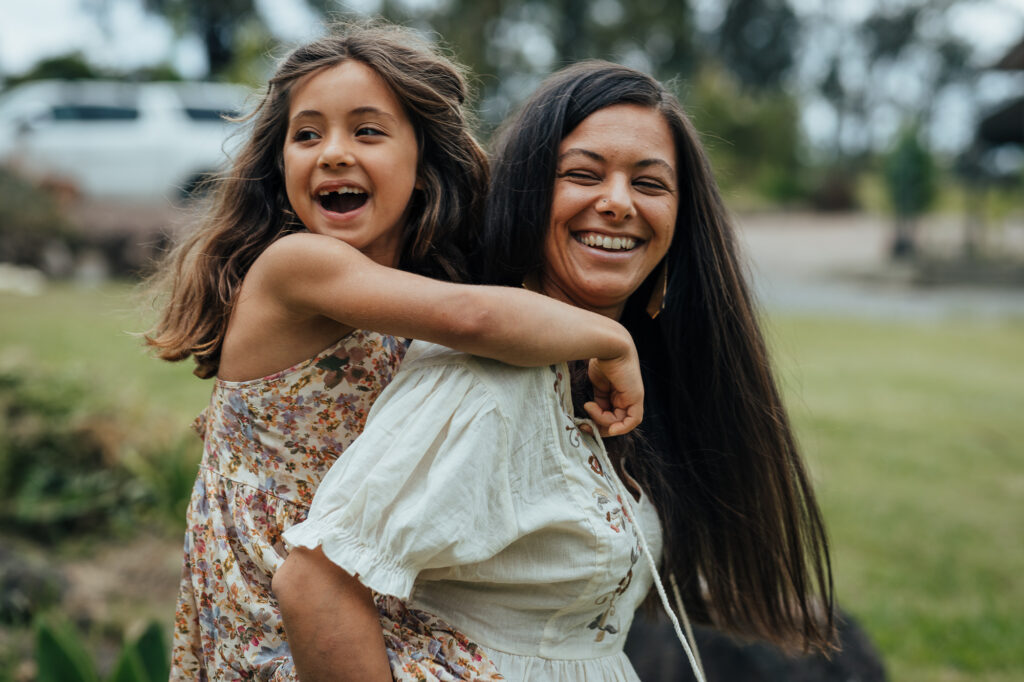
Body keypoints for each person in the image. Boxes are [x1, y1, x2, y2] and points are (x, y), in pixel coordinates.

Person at [276, 60, 835, 681]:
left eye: (649, 184)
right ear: (528, 195)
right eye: (582, 175)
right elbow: (314, 584)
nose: (617, 203)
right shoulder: (484, 384)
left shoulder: (596, 377)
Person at [144, 28, 646, 680]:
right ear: (279, 164)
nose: (333, 154)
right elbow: (477, 317)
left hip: (368, 597)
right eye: (307, 134)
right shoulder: (300, 268)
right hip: (282, 626)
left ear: (422, 161)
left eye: (367, 132)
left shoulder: (413, 284)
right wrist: (611, 340)